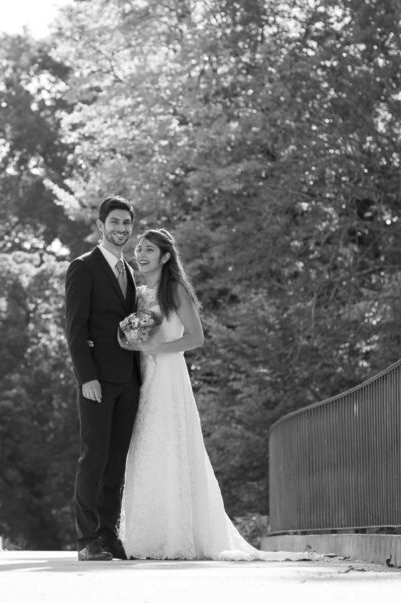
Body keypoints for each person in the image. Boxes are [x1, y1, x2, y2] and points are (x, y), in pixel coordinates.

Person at [118, 228, 270, 560]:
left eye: (149, 250)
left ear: (165, 257)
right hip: (143, 376)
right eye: (138, 249)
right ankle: (146, 537)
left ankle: (178, 535)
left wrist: (159, 347)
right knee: (144, 447)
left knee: (171, 445)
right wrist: (131, 342)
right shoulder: (141, 292)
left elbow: (196, 337)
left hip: (169, 376)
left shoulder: (175, 290)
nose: (140, 255)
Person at [64, 196, 141, 561]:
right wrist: (86, 377)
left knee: (116, 461)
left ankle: (109, 534)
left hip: (129, 380)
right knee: (93, 458)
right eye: (114, 222)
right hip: (96, 381)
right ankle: (86, 539)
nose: (120, 229)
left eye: (126, 223)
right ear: (100, 225)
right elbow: (75, 329)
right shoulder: (83, 268)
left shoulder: (131, 272)